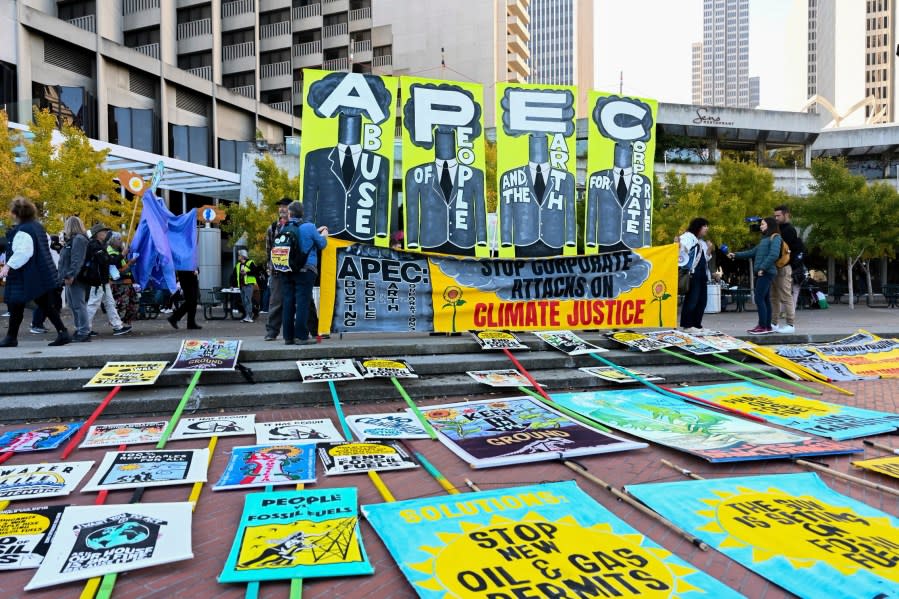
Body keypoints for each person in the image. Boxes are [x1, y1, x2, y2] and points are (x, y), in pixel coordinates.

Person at [0, 197, 71, 347]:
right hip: (40, 273)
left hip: (27, 275)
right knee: (28, 305)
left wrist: (8, 266)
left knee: (22, 304)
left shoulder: (23, 230)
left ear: (16, 213)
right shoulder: (37, 227)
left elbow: (24, 252)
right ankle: (12, 337)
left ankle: (12, 337)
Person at [281, 201, 327, 345]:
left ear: (290, 214)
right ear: (302, 213)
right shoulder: (309, 227)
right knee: (302, 303)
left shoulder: (284, 227)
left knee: (288, 302)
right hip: (306, 270)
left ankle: (288, 337)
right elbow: (322, 244)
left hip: (287, 270)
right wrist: (324, 234)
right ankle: (301, 336)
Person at [728, 217, 782, 335]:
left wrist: (762, 268)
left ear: (770, 225)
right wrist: (735, 255)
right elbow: (752, 252)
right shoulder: (764, 239)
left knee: (759, 298)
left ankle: (762, 326)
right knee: (765, 299)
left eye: (763, 224)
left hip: (766, 272)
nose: (761, 226)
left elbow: (774, 255)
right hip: (763, 271)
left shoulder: (776, 237)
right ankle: (767, 326)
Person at [85, 224, 132, 336]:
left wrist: (121, 255)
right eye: (104, 232)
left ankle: (117, 326)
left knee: (110, 303)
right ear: (98, 234)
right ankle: (85, 328)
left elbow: (109, 260)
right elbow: (106, 261)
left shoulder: (100, 245)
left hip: (102, 280)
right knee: (93, 304)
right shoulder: (94, 246)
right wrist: (122, 255)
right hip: (97, 280)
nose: (106, 234)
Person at [58, 216, 92, 342]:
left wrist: (70, 275)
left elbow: (77, 260)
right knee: (73, 305)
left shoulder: (78, 239)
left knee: (78, 304)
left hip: (75, 277)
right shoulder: (74, 240)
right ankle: (80, 329)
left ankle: (83, 331)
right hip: (73, 276)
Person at [772, 205, 805, 334]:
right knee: (773, 297)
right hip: (775, 267)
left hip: (784, 267)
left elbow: (780, 247)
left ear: (786, 215)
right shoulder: (777, 228)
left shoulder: (789, 230)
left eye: (778, 215)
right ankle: (774, 322)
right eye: (774, 216)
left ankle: (790, 324)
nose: (776, 218)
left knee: (786, 296)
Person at [677, 217, 712, 334]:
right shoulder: (688, 237)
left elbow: (705, 259)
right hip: (693, 274)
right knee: (692, 299)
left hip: (702, 274)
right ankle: (687, 325)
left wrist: (709, 250)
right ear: (698, 227)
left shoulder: (700, 241)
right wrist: (678, 244)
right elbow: (681, 249)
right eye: (705, 226)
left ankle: (697, 324)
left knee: (702, 300)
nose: (707, 229)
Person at [264, 198, 291, 341]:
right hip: (276, 272)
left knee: (301, 301)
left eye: (285, 206)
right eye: (280, 206)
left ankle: (312, 330)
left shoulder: (297, 226)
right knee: (276, 302)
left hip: (293, 270)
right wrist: (270, 267)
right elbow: (268, 250)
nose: (282, 209)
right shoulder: (273, 227)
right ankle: (272, 332)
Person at [106, 232, 139, 327]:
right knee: (121, 305)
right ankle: (117, 325)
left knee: (133, 303)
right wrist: (130, 264)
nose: (121, 241)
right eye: (119, 239)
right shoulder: (111, 253)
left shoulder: (119, 251)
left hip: (127, 283)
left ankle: (127, 322)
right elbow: (117, 271)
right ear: (112, 240)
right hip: (118, 284)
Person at [234, 249, 259, 323]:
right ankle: (247, 316)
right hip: (242, 285)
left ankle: (249, 316)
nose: (238, 257)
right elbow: (235, 275)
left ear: (242, 256)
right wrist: (233, 284)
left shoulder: (250, 262)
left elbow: (256, 272)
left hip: (249, 284)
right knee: (244, 301)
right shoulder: (238, 265)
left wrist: (246, 273)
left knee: (247, 300)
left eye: (239, 255)